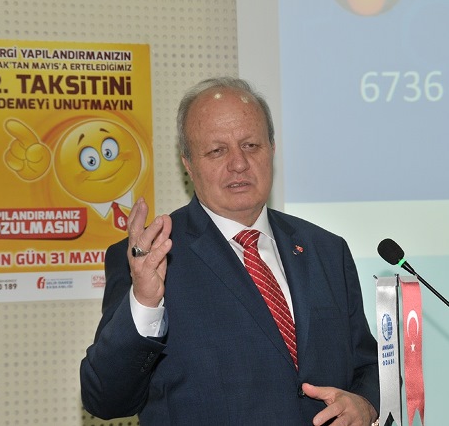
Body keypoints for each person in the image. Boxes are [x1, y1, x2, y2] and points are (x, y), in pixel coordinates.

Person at [80, 77, 380, 425]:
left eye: (251, 145)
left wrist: (365, 404)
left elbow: (369, 366)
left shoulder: (326, 250)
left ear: (272, 149)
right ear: (188, 164)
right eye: (217, 151)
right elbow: (106, 399)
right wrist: (145, 303)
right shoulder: (153, 256)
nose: (239, 163)